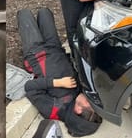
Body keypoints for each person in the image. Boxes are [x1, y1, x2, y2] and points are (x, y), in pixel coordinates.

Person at [17, 8, 101, 137]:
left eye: (89, 104)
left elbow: (30, 88)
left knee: (24, 14)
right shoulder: (80, 95)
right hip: (55, 48)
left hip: (36, 54)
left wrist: (57, 83)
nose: (91, 100)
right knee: (45, 12)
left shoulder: (54, 109)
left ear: (78, 110)